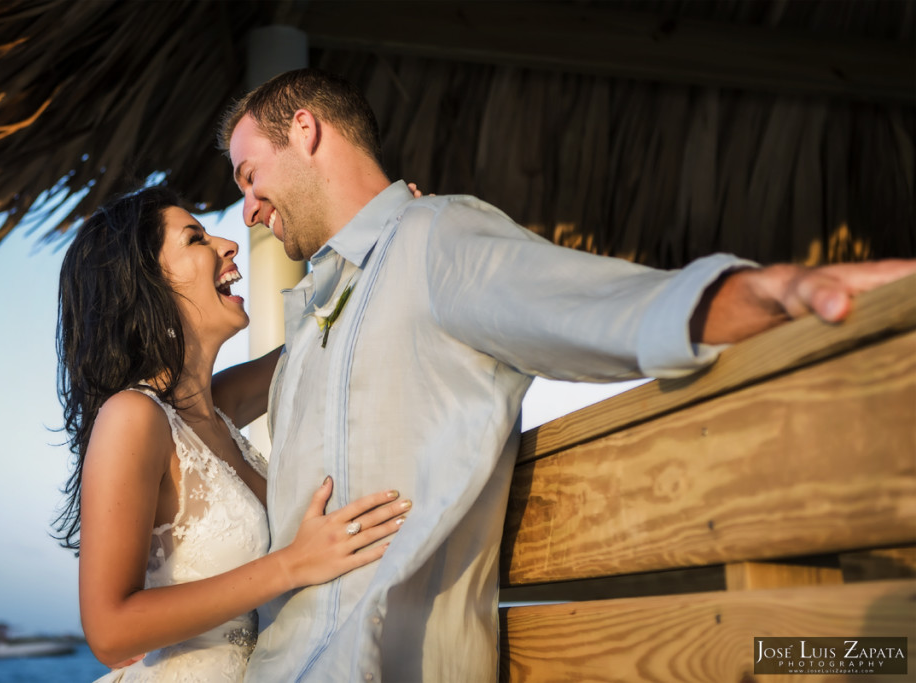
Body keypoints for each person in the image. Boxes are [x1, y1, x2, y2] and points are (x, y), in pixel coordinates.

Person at [217, 68, 916, 683]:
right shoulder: (312, 318)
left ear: (305, 129)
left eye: (250, 177)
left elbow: (595, 305)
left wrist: (765, 292)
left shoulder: (434, 239)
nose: (247, 209)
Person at [53, 185, 412, 682]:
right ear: (146, 284)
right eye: (195, 238)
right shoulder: (132, 417)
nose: (228, 244)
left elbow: (325, 336)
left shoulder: (213, 409)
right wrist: (293, 564)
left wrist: (387, 229)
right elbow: (109, 631)